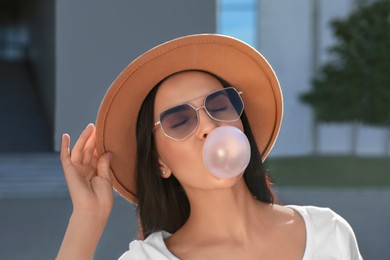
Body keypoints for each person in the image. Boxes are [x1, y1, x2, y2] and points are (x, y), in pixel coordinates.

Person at [56, 34, 363, 259]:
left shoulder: (330, 233)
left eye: (220, 105)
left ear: (241, 125)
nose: (209, 126)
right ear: (160, 162)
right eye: (178, 121)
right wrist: (88, 216)